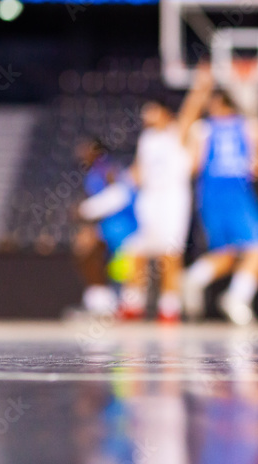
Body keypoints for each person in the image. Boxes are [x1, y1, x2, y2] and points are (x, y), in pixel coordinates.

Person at [120, 67, 214, 322]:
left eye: (151, 110)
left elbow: (192, 108)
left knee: (169, 254)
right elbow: (138, 172)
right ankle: (132, 304)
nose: (146, 116)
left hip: (173, 200)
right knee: (136, 251)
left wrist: (201, 84)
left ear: (163, 112)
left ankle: (169, 308)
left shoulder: (177, 132)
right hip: (149, 201)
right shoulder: (147, 139)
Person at [181, 87, 258, 326]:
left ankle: (193, 278)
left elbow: (192, 166)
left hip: (209, 196)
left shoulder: (201, 129)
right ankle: (236, 298)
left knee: (227, 252)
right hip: (237, 195)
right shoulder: (251, 127)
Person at [73, 138, 138, 316]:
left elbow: (119, 195)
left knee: (123, 273)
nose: (81, 153)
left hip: (124, 231)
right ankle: (100, 299)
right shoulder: (93, 173)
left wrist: (87, 209)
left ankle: (121, 305)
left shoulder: (108, 169)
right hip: (108, 230)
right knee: (86, 249)